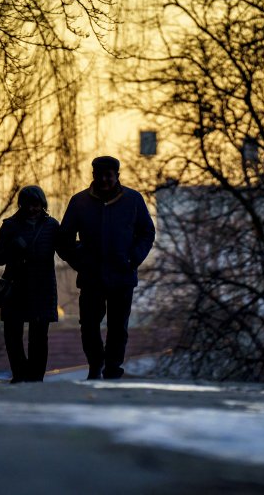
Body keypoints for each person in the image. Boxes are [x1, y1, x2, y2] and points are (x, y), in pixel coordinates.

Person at [58, 156, 155, 380]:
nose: (103, 179)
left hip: (122, 277)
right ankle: (95, 365)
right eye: (99, 175)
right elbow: (63, 240)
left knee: (118, 328)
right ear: (93, 175)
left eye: (108, 175)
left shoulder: (133, 200)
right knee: (89, 325)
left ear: (116, 176)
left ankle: (112, 370)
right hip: (91, 277)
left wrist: (133, 259)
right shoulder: (79, 201)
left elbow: (147, 232)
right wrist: (80, 262)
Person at [0, 185, 59, 383]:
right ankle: (20, 376)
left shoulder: (52, 226)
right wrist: (14, 247)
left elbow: (66, 250)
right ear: (21, 205)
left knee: (39, 337)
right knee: (13, 335)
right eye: (28, 204)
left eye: (35, 204)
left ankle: (35, 379)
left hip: (43, 288)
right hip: (16, 288)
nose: (31, 209)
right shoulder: (9, 226)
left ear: (42, 204)